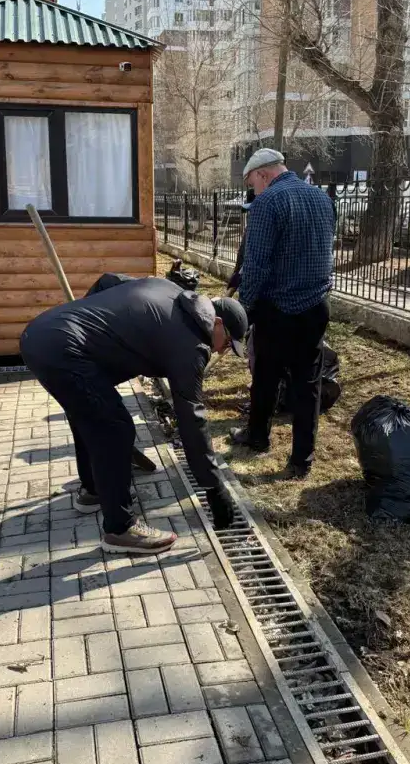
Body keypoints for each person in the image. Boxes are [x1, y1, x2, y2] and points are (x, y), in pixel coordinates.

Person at [20, 277, 248, 554]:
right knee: (115, 429)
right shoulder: (191, 346)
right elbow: (191, 418)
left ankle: (93, 489)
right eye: (228, 343)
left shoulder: (169, 289)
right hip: (65, 350)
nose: (222, 350)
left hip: (43, 334)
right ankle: (120, 529)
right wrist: (213, 487)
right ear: (218, 323)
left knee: (90, 414)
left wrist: (89, 322)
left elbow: (108, 281)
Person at [230, 148, 335, 479]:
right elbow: (325, 251)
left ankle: (258, 437)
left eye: (252, 183)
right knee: (308, 384)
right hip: (315, 306)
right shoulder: (322, 199)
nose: (253, 191)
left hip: (277, 309)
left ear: (263, 174)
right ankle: (301, 460)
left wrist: (244, 308)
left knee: (265, 376)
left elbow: (256, 264)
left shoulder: (268, 203)